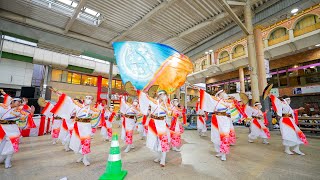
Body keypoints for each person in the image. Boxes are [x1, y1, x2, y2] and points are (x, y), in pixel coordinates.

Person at [51, 90, 100, 166]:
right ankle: (80, 157)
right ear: (84, 99)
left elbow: (98, 114)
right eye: (87, 98)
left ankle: (85, 158)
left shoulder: (92, 109)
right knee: (78, 142)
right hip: (78, 127)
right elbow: (69, 101)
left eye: (91, 98)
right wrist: (61, 95)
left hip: (86, 128)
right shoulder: (77, 106)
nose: (89, 99)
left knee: (86, 143)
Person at [0, 89, 35, 168]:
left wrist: (31, 112)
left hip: (12, 129)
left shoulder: (19, 110)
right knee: (1, 144)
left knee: (13, 144)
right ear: (12, 102)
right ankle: (2, 158)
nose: (19, 103)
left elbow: (24, 118)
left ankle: (8, 160)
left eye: (20, 102)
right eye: (17, 101)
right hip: (2, 128)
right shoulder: (2, 106)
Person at [199, 89, 235, 161]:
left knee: (224, 135)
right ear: (219, 94)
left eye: (225, 92)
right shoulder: (215, 100)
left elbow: (233, 109)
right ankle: (219, 151)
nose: (225, 93)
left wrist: (233, 103)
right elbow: (207, 97)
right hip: (216, 119)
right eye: (223, 93)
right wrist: (200, 91)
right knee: (216, 136)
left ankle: (224, 153)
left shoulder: (227, 101)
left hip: (225, 120)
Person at [139, 90, 171, 167]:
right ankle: (158, 156)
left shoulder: (167, 105)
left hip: (162, 124)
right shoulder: (153, 101)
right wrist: (139, 91)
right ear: (159, 95)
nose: (164, 96)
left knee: (163, 141)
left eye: (165, 95)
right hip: (153, 123)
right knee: (155, 142)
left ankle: (163, 159)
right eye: (162, 94)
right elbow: (145, 98)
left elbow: (170, 114)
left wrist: (166, 107)